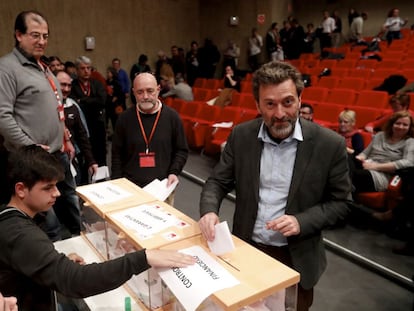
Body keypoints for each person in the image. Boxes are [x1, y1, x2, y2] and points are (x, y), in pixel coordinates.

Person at [198, 61, 352, 311]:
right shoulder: (241, 136)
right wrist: (208, 210)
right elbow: (217, 181)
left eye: (288, 102)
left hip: (296, 258)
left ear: (300, 100)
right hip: (246, 250)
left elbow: (342, 203)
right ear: (257, 105)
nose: (279, 113)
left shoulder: (329, 144)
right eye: (270, 104)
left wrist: (301, 221)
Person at [0, 145, 196, 311]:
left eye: (56, 186)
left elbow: (26, 259)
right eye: (47, 188)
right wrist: (143, 257)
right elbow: (76, 281)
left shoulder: (13, 219)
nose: (57, 193)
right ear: (21, 189)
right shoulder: (20, 234)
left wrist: (51, 260)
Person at [0, 10, 77, 240]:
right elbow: (2, 116)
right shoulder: (6, 68)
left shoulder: (43, 67)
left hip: (58, 153)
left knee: (70, 205)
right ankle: (50, 265)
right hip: (33, 160)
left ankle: (75, 251)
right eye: (35, 35)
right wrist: (30, 146)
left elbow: (55, 106)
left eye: (45, 36)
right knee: (47, 221)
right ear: (18, 35)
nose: (42, 41)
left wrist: (66, 137)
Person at [111, 72, 188, 206]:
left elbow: (181, 150)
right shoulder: (124, 119)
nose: (145, 96)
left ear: (158, 90)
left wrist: (174, 172)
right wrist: (117, 183)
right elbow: (117, 154)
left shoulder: (172, 117)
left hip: (163, 190)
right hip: (131, 189)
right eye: (140, 92)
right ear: (134, 93)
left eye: (150, 91)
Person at [353, 111, 414, 194]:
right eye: (398, 123)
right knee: (343, 160)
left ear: (410, 127)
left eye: (405, 125)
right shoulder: (380, 135)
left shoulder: (410, 142)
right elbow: (365, 154)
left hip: (382, 176)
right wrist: (358, 159)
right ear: (392, 124)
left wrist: (375, 167)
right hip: (366, 165)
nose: (400, 127)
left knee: (352, 174)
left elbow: (408, 162)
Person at [56, 70, 98, 185]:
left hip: (72, 162)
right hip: (52, 164)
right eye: (63, 85)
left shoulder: (72, 106)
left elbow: (82, 136)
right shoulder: (46, 106)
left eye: (69, 85)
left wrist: (91, 161)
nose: (66, 89)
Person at [70, 56, 107, 167]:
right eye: (83, 68)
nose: (86, 71)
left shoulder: (97, 83)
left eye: (88, 68)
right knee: (85, 156)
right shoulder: (73, 86)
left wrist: (83, 100)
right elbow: (75, 104)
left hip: (97, 124)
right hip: (81, 125)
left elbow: (102, 101)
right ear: (77, 70)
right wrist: (92, 101)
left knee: (100, 154)